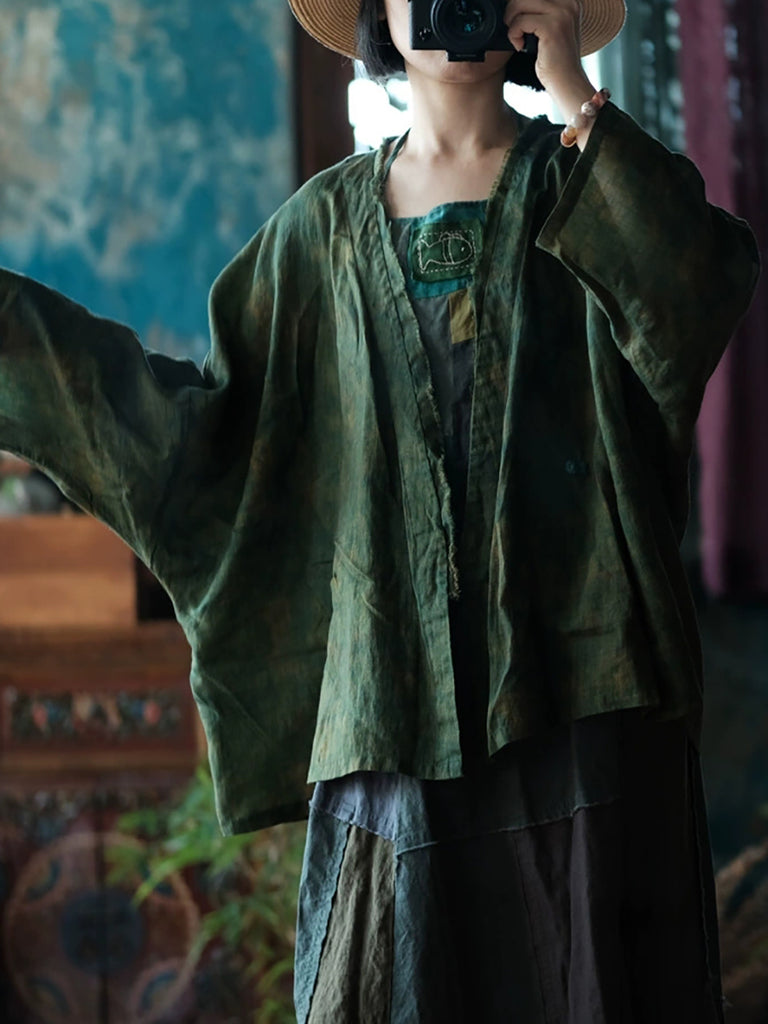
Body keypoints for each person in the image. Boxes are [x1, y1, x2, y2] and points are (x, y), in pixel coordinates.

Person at [0, 0, 759, 1020]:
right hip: (389, 737)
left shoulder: (584, 183)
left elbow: (696, 294)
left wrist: (576, 94)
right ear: (377, 13)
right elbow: (196, 445)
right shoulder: (316, 236)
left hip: (587, 729)